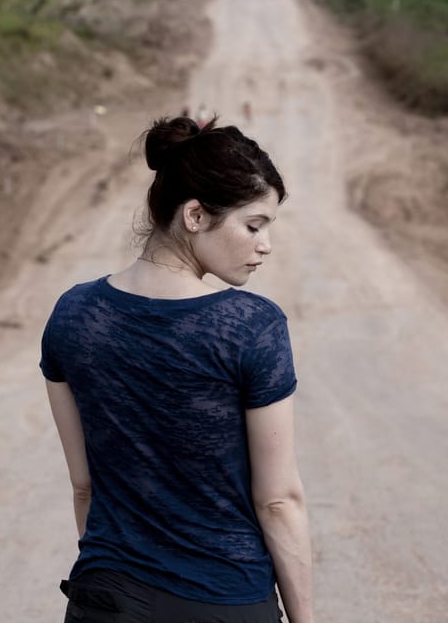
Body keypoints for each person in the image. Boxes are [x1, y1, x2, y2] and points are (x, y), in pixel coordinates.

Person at [40, 115, 315, 623]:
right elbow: (278, 500)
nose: (265, 245)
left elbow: (84, 486)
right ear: (194, 215)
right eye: (253, 225)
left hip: (108, 598)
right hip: (223, 601)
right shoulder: (250, 327)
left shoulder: (73, 314)